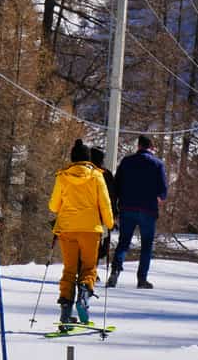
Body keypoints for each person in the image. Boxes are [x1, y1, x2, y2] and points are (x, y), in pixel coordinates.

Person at [49, 138, 115, 325]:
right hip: (90, 230)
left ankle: (65, 311)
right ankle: (83, 299)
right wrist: (109, 224)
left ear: (73, 159)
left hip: (67, 229)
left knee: (69, 270)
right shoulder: (97, 176)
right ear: (88, 159)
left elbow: (54, 206)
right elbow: (105, 203)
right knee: (88, 268)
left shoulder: (62, 176)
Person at [106, 135, 168, 289]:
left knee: (123, 243)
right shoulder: (158, 164)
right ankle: (142, 279)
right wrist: (159, 198)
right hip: (148, 210)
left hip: (127, 208)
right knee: (146, 245)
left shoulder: (126, 161)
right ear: (151, 147)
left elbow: (116, 185)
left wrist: (117, 206)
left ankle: (115, 273)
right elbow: (163, 190)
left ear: (138, 146)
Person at [90, 146, 119, 266]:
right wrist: (113, 214)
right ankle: (90, 270)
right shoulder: (106, 174)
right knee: (100, 244)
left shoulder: (84, 173)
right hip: (101, 214)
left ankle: (86, 269)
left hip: (85, 213)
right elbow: (112, 197)